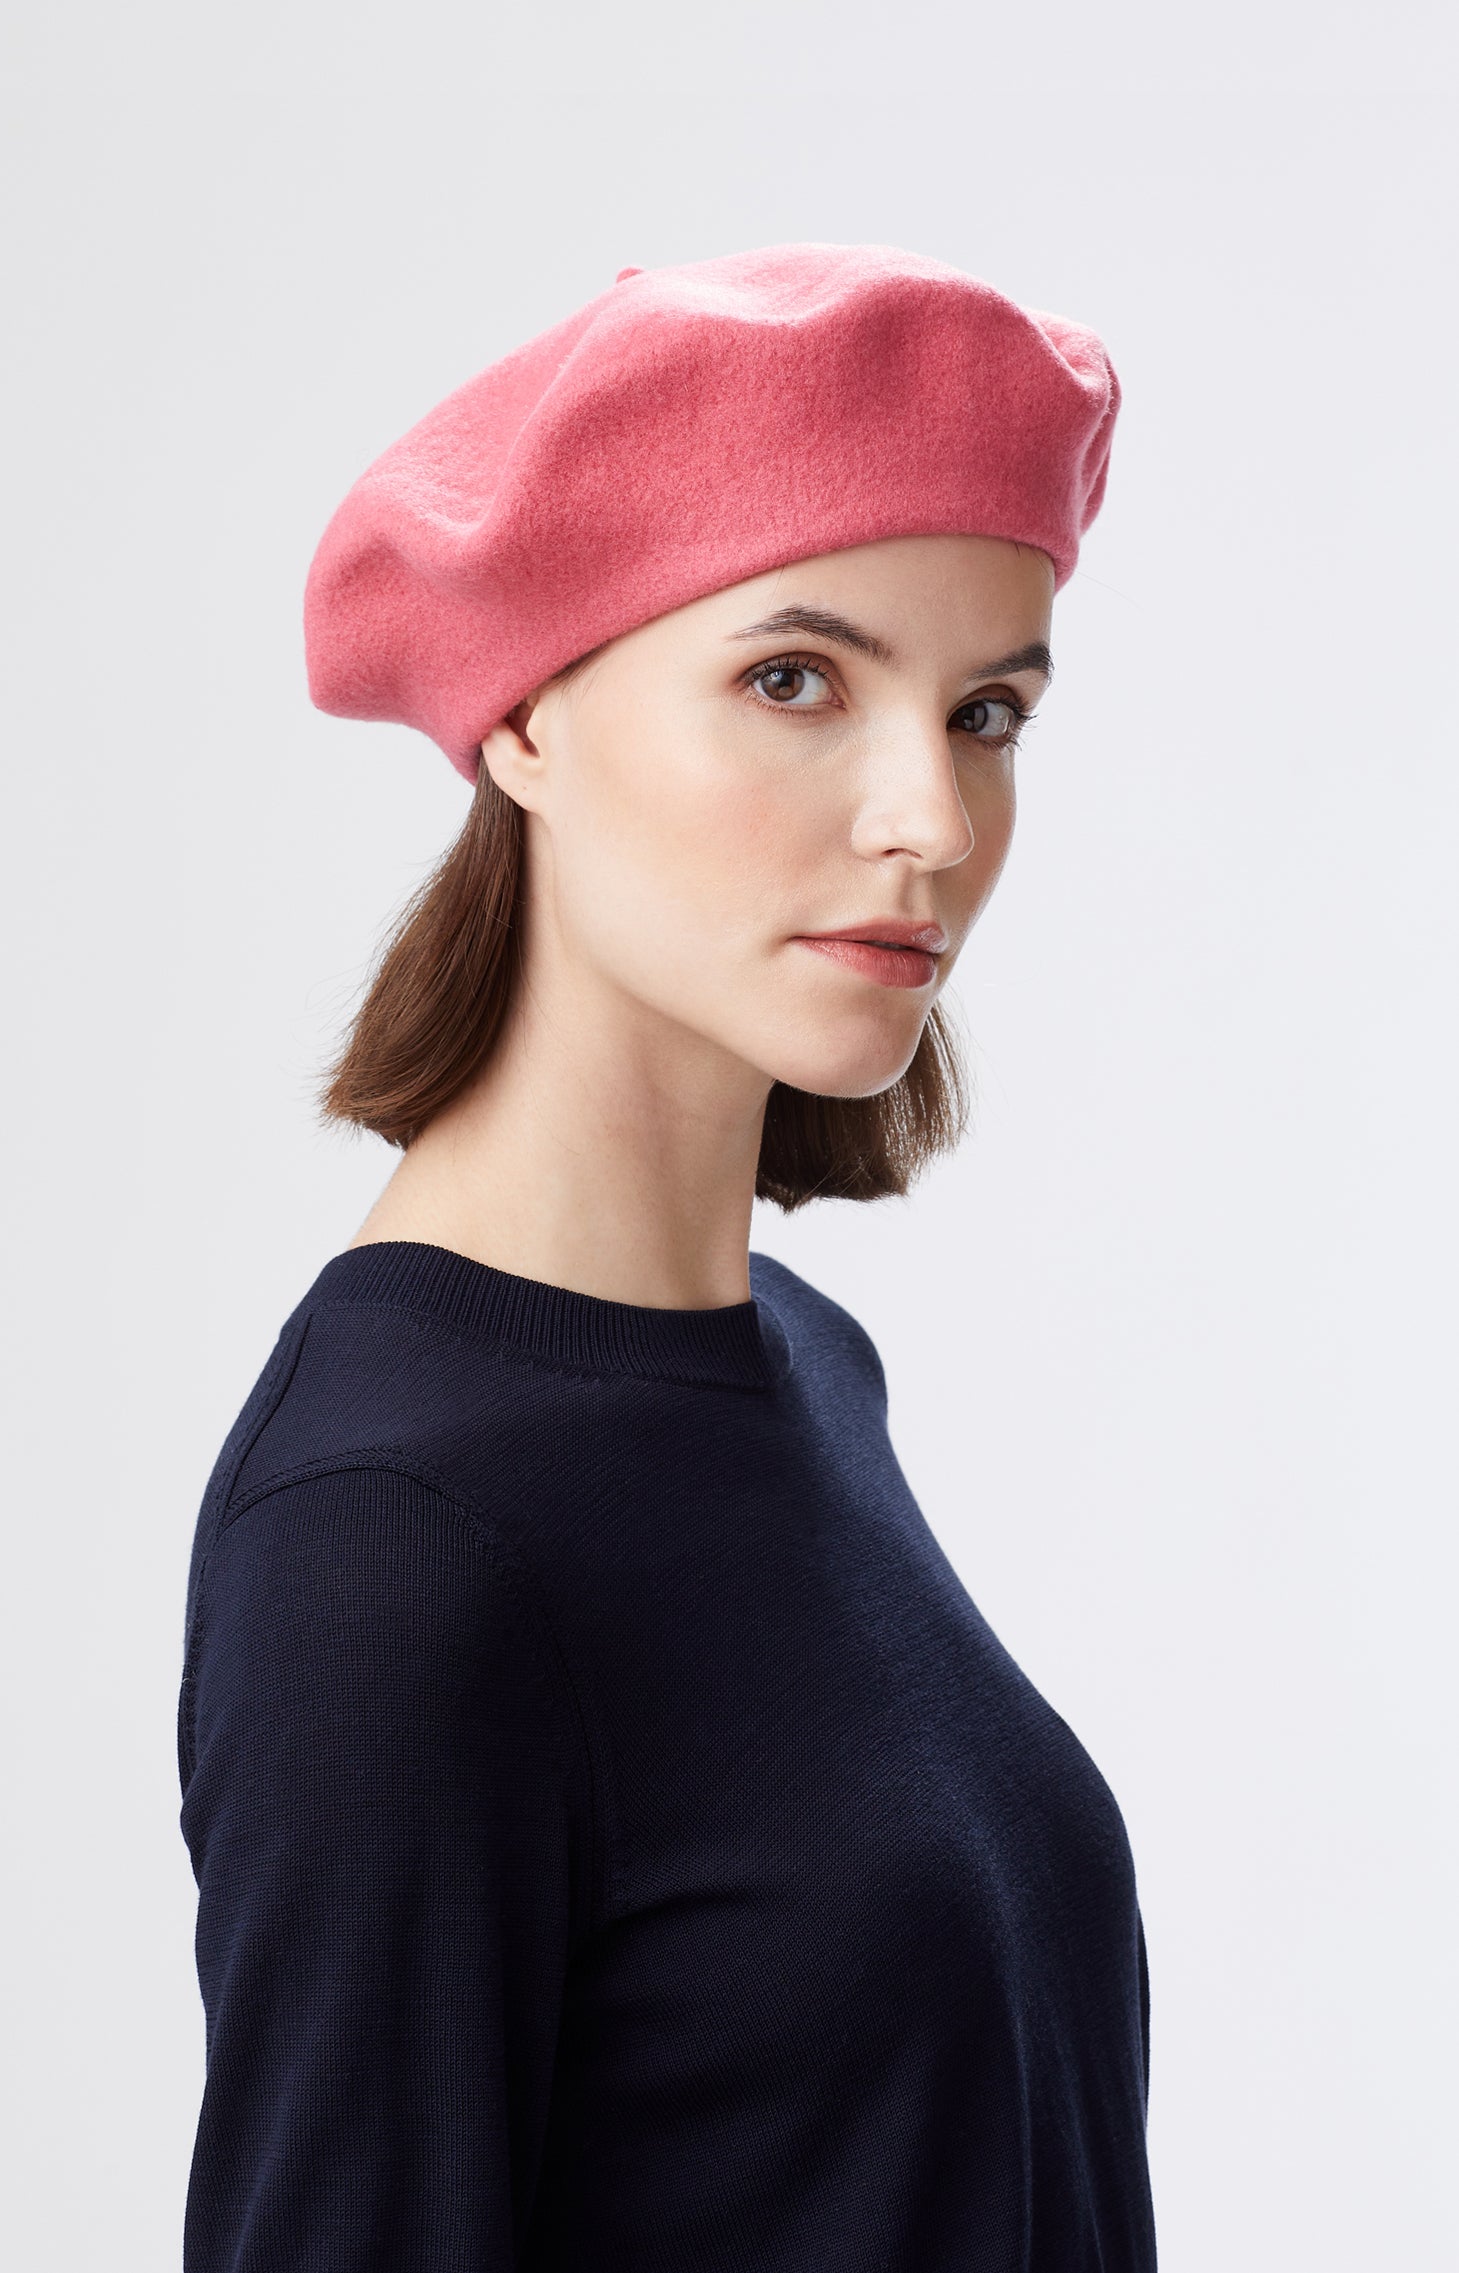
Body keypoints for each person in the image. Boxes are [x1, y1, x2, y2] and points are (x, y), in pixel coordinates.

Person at [177, 243, 1155, 2270]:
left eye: (985, 711)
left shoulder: (799, 1364)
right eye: (793, 681)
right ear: (524, 720)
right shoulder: (395, 1544)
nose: (929, 818)